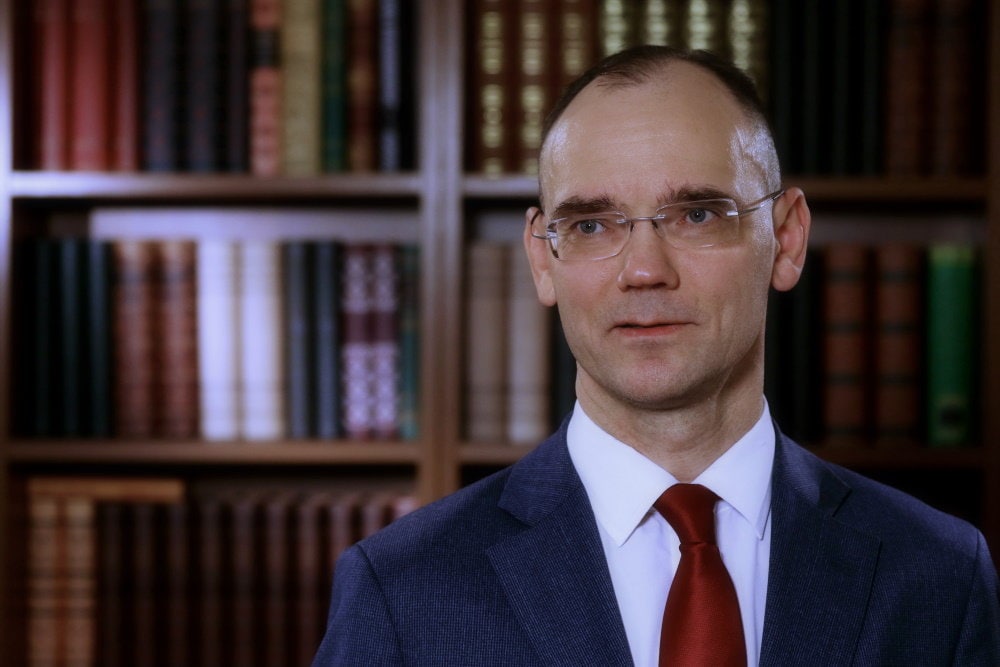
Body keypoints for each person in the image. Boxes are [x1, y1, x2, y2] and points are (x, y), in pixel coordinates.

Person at [312, 46, 1000, 666]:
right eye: (590, 224)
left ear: (786, 240)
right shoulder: (401, 590)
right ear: (542, 260)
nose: (644, 270)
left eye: (697, 214)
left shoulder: (940, 575)